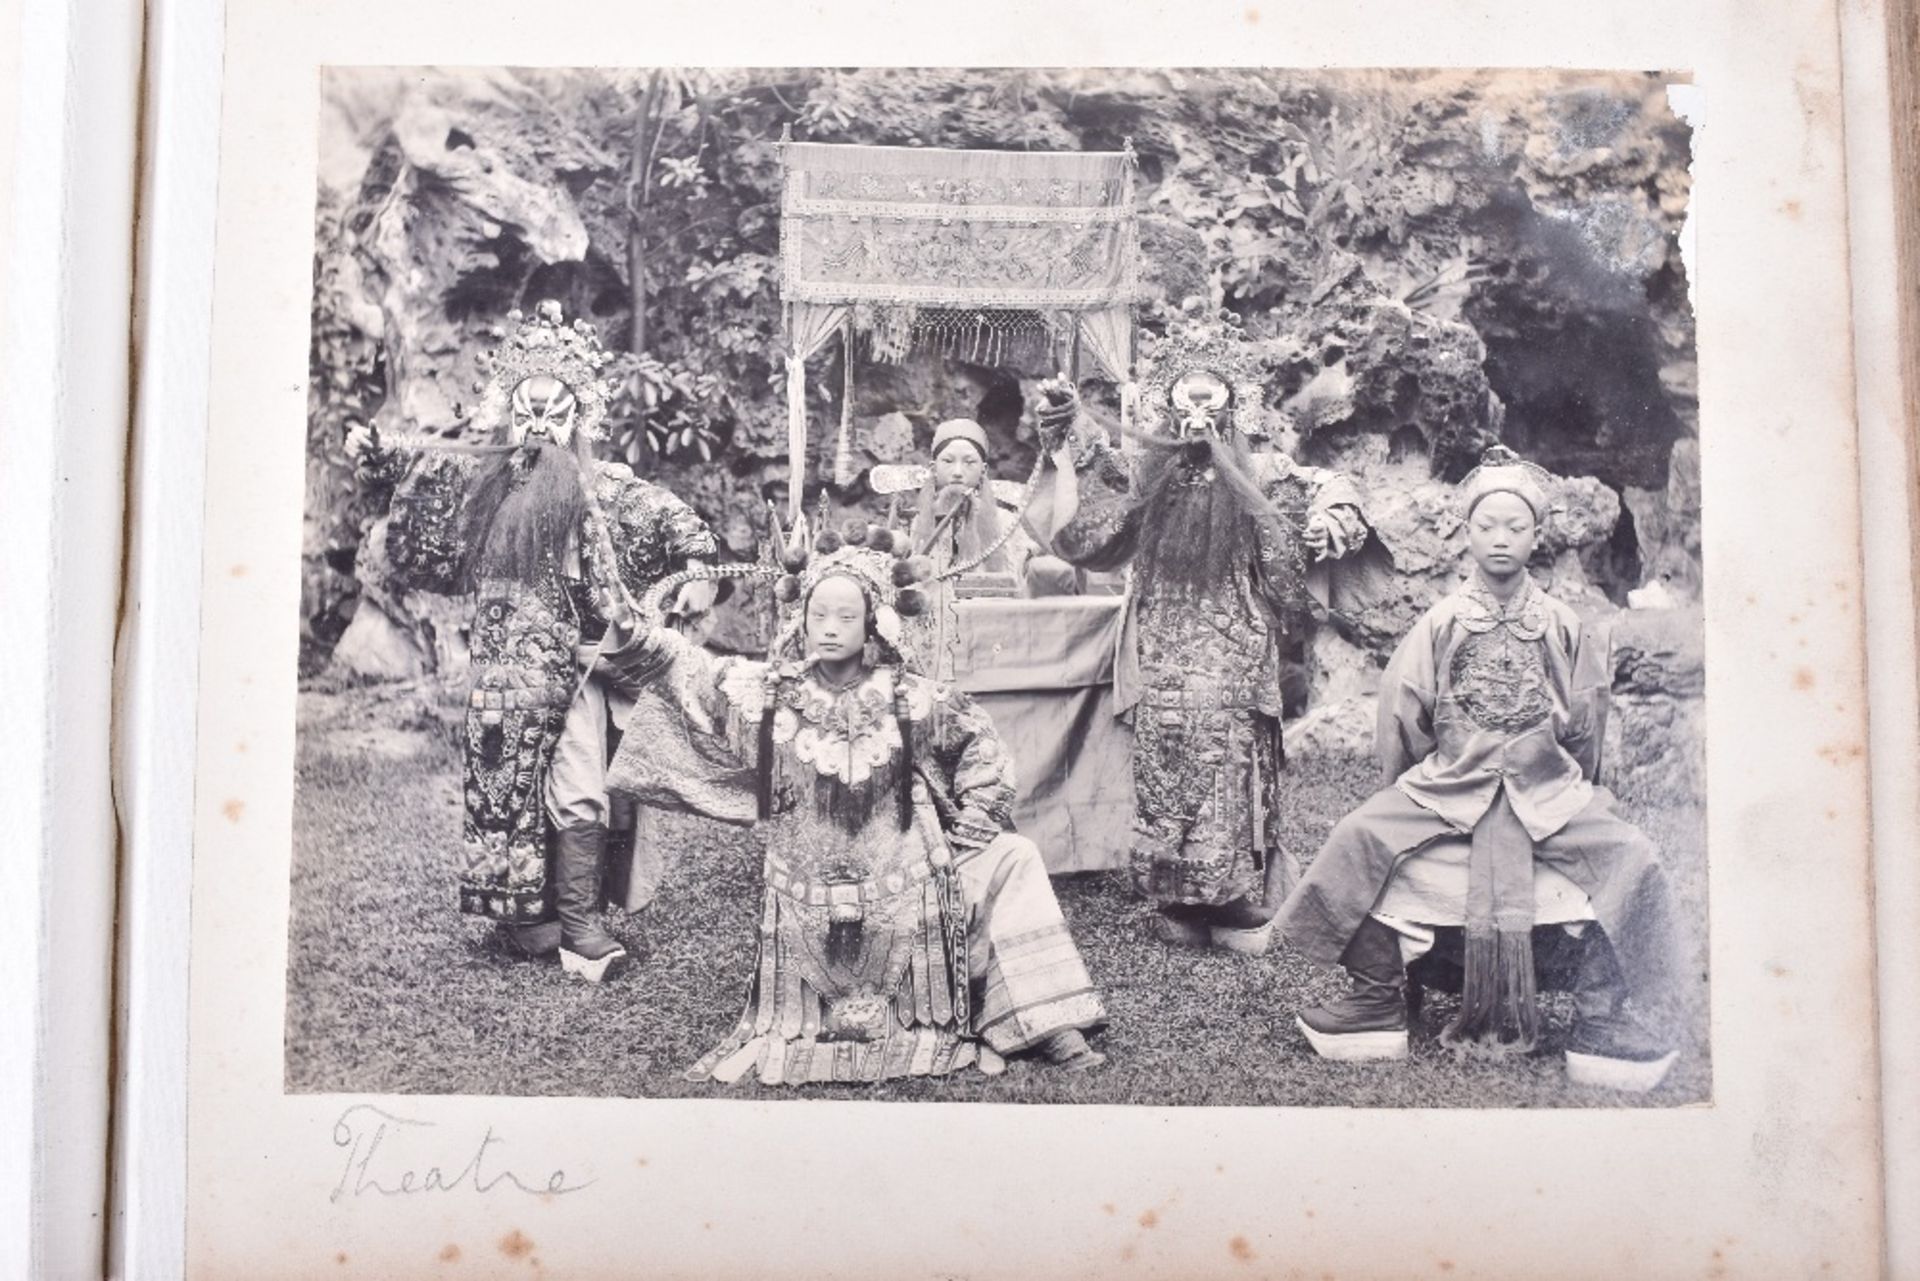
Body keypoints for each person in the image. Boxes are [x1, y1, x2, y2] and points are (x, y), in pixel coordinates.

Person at [594, 520, 1108, 1085]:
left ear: (872, 624)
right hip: (814, 903)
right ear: (801, 619)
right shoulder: (770, 693)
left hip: (911, 883)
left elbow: (980, 746)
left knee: (1014, 857)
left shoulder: (910, 695)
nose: (830, 628)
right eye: (819, 615)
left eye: (846, 617)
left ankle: (1047, 1023)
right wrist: (631, 632)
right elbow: (693, 672)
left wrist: (975, 822)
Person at [1274, 446, 1680, 1091]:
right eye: (1486, 526)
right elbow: (1402, 717)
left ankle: (1602, 1016)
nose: (1499, 539)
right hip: (1449, 787)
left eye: (1515, 527)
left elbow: (1586, 719)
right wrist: (1407, 789)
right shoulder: (1439, 623)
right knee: (1359, 839)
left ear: (1537, 536)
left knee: (1632, 855)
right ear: (1465, 534)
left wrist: (1576, 785)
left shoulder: (1563, 623)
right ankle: (1376, 998)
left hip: (1546, 789)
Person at [348, 300, 717, 983]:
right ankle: (524, 916)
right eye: (528, 409)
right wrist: (373, 460)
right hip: (499, 676)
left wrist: (696, 565)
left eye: (556, 410)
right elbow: (412, 501)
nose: (541, 424)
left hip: (571, 670)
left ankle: (579, 922)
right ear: (508, 412)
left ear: (579, 418)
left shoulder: (603, 486)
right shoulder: (478, 485)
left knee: (580, 789)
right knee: (506, 792)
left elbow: (670, 518)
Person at [1028, 314, 1389, 953]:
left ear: (1231, 398)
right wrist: (1068, 425)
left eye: (1209, 388)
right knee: (1165, 760)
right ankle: (1172, 896)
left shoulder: (1266, 468)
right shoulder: (1146, 470)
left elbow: (1328, 486)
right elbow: (1092, 495)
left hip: (1237, 645)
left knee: (1232, 758)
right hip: (1161, 644)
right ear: (1167, 398)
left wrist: (1333, 516)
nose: (1197, 402)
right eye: (1185, 389)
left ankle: (1235, 891)